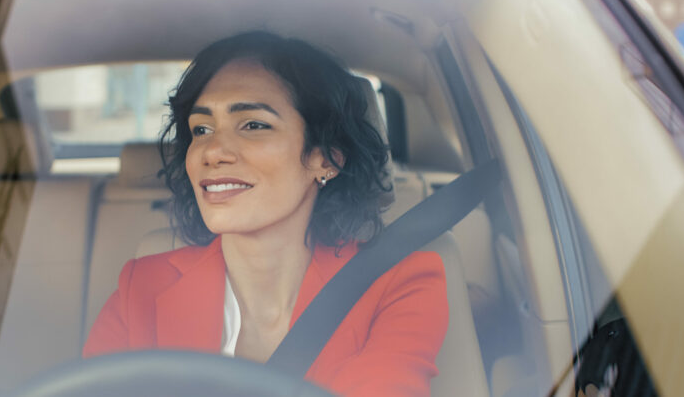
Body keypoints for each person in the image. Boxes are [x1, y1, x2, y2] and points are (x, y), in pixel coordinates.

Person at [83, 31, 448, 396]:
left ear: (326, 158)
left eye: (254, 125)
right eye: (202, 129)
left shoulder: (398, 284)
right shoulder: (142, 287)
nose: (212, 151)